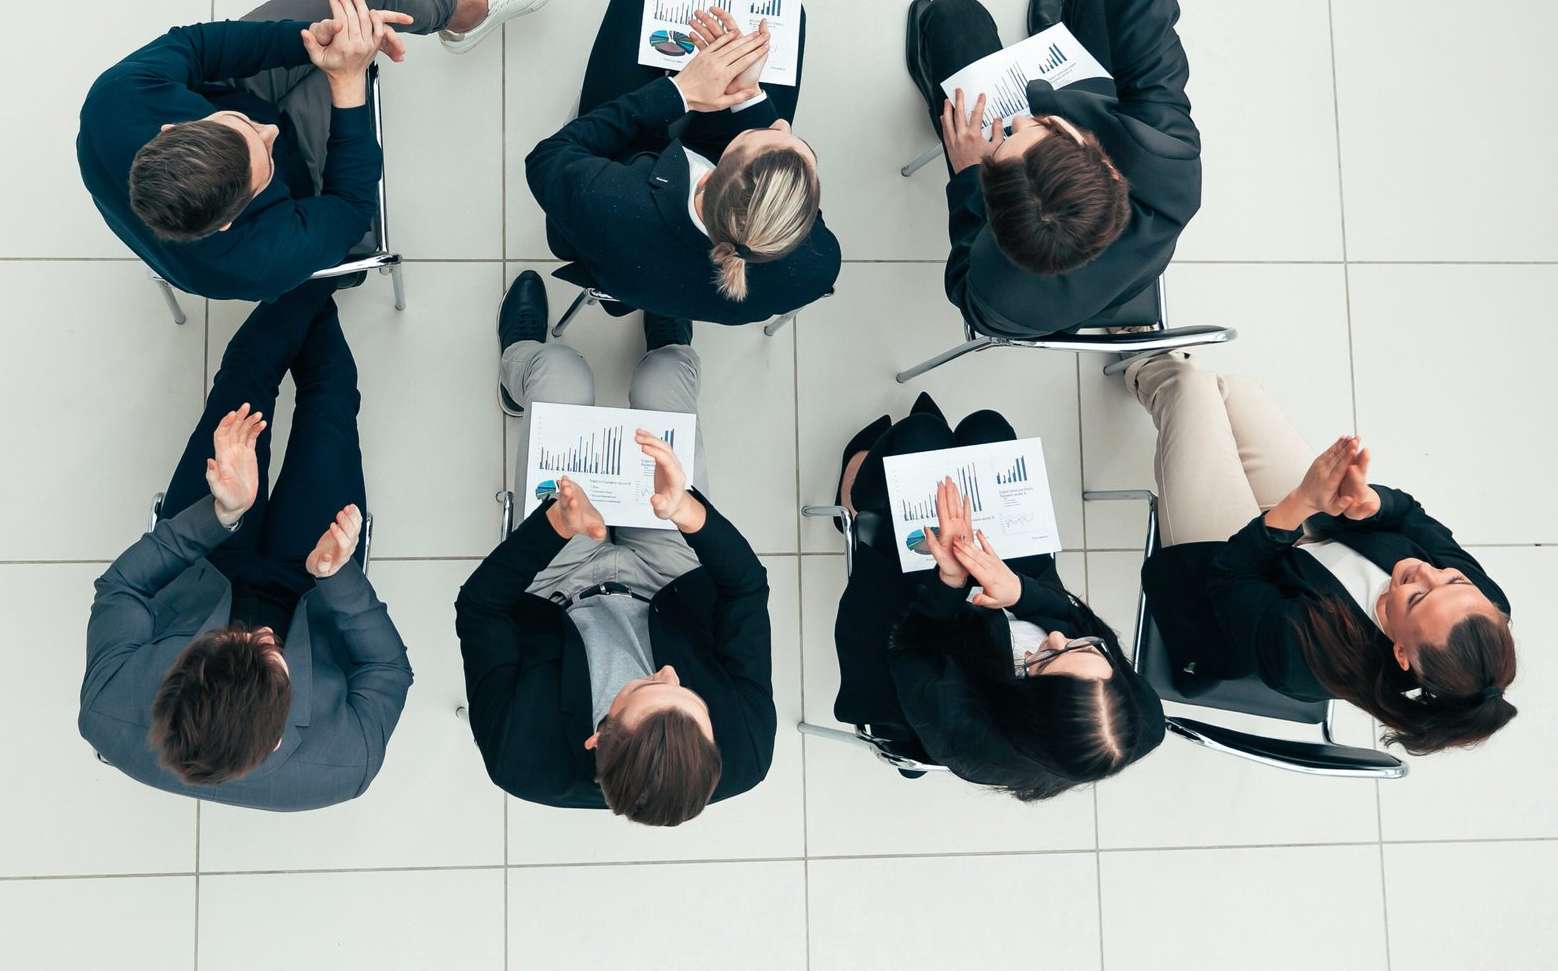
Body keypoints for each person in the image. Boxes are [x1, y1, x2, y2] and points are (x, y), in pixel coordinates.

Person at [78, 0, 562, 301]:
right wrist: (346, 82)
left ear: (169, 130)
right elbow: (351, 208)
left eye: (243, 126)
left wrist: (311, 39)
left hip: (230, 90)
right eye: (263, 155)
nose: (268, 131)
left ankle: (462, 15)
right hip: (312, 198)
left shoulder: (114, 101)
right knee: (360, 25)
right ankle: (365, 15)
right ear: (228, 219)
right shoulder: (255, 259)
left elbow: (197, 48)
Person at [455, 271, 775, 825]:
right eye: (693, 699)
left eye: (649, 685)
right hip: (670, 579)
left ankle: (519, 364)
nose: (672, 675)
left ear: (596, 735)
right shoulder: (743, 749)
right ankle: (667, 336)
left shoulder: (519, 757)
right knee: (665, 375)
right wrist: (686, 511)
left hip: (558, 590)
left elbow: (479, 607)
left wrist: (554, 526)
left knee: (561, 373)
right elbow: (745, 589)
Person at [79, 278, 413, 808]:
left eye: (228, 640)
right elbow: (388, 669)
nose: (258, 630)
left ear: (173, 681)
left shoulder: (108, 705)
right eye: (268, 650)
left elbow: (122, 588)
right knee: (328, 409)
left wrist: (221, 513)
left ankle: (308, 273)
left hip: (204, 559)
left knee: (241, 386)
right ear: (282, 721)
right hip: (312, 585)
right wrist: (337, 577)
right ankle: (309, 272)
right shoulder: (347, 763)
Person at [1128, 352, 1518, 755]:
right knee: (1236, 392)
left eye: (1416, 597)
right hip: (1315, 528)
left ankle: (1140, 358)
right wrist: (1370, 506)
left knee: (1186, 387)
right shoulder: (1484, 604)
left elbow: (1231, 575)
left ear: (1400, 652)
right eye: (1452, 577)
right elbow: (1410, 516)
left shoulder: (1309, 663)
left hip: (1222, 569)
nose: (1424, 570)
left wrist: (1300, 503)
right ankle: (1173, 370)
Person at [905, 0, 1200, 340]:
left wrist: (965, 173)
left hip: (1064, 255)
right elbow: (1147, 28)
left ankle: (1024, 48)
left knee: (952, 15)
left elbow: (963, 278)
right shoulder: (1164, 159)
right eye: (1040, 126)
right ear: (1102, 160)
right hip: (1105, 93)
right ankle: (1055, 35)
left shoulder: (1002, 298)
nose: (1020, 119)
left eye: (1005, 142)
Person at [831, 393, 1164, 797]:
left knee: (920, 435)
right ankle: (924, 465)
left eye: (1045, 659)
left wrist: (951, 579)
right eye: (1085, 648)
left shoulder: (965, 731)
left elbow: (909, 647)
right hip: (1012, 588)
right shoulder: (1133, 721)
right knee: (988, 429)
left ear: (1024, 702)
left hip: (923, 626)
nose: (1056, 637)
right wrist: (1020, 593)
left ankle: (856, 500)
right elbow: (1071, 620)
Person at [525, 0, 839, 327]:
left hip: (631, 185)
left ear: (706, 179)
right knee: (793, 21)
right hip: (679, 274)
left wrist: (678, 92)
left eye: (767, 134)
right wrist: (749, 95)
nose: (782, 124)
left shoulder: (609, 200)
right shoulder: (817, 266)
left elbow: (548, 156)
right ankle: (660, 314)